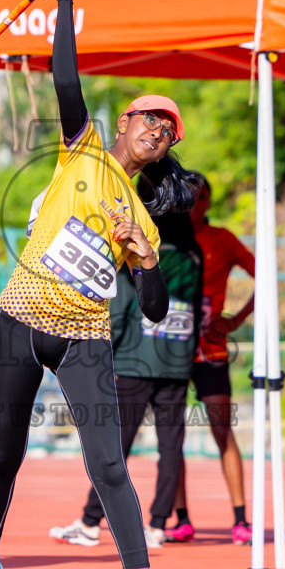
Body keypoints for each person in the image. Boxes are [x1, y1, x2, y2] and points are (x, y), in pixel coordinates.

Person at [0, 0, 193, 569]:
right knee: (1, 455)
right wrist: (65, 7)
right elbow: (65, 82)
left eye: (168, 133)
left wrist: (144, 260)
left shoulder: (141, 222)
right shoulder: (82, 151)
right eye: (151, 120)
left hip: (83, 338)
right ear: (126, 123)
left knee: (107, 465)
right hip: (22, 320)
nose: (159, 132)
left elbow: (149, 308)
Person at [49, 204, 203, 549]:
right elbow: (197, 304)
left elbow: (120, 308)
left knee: (116, 445)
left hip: (135, 359)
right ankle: (159, 524)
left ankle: (91, 521)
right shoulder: (195, 256)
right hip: (177, 360)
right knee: (171, 446)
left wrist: (107, 354)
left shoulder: (142, 253)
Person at [165, 172, 255, 545]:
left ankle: (240, 520)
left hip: (211, 350)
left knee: (222, 430)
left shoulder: (222, 240)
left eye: (202, 197)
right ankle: (181, 518)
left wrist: (236, 318)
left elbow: (265, 276)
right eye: (189, 197)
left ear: (209, 203)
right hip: (168, 348)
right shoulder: (163, 239)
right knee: (171, 436)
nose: (195, 204)